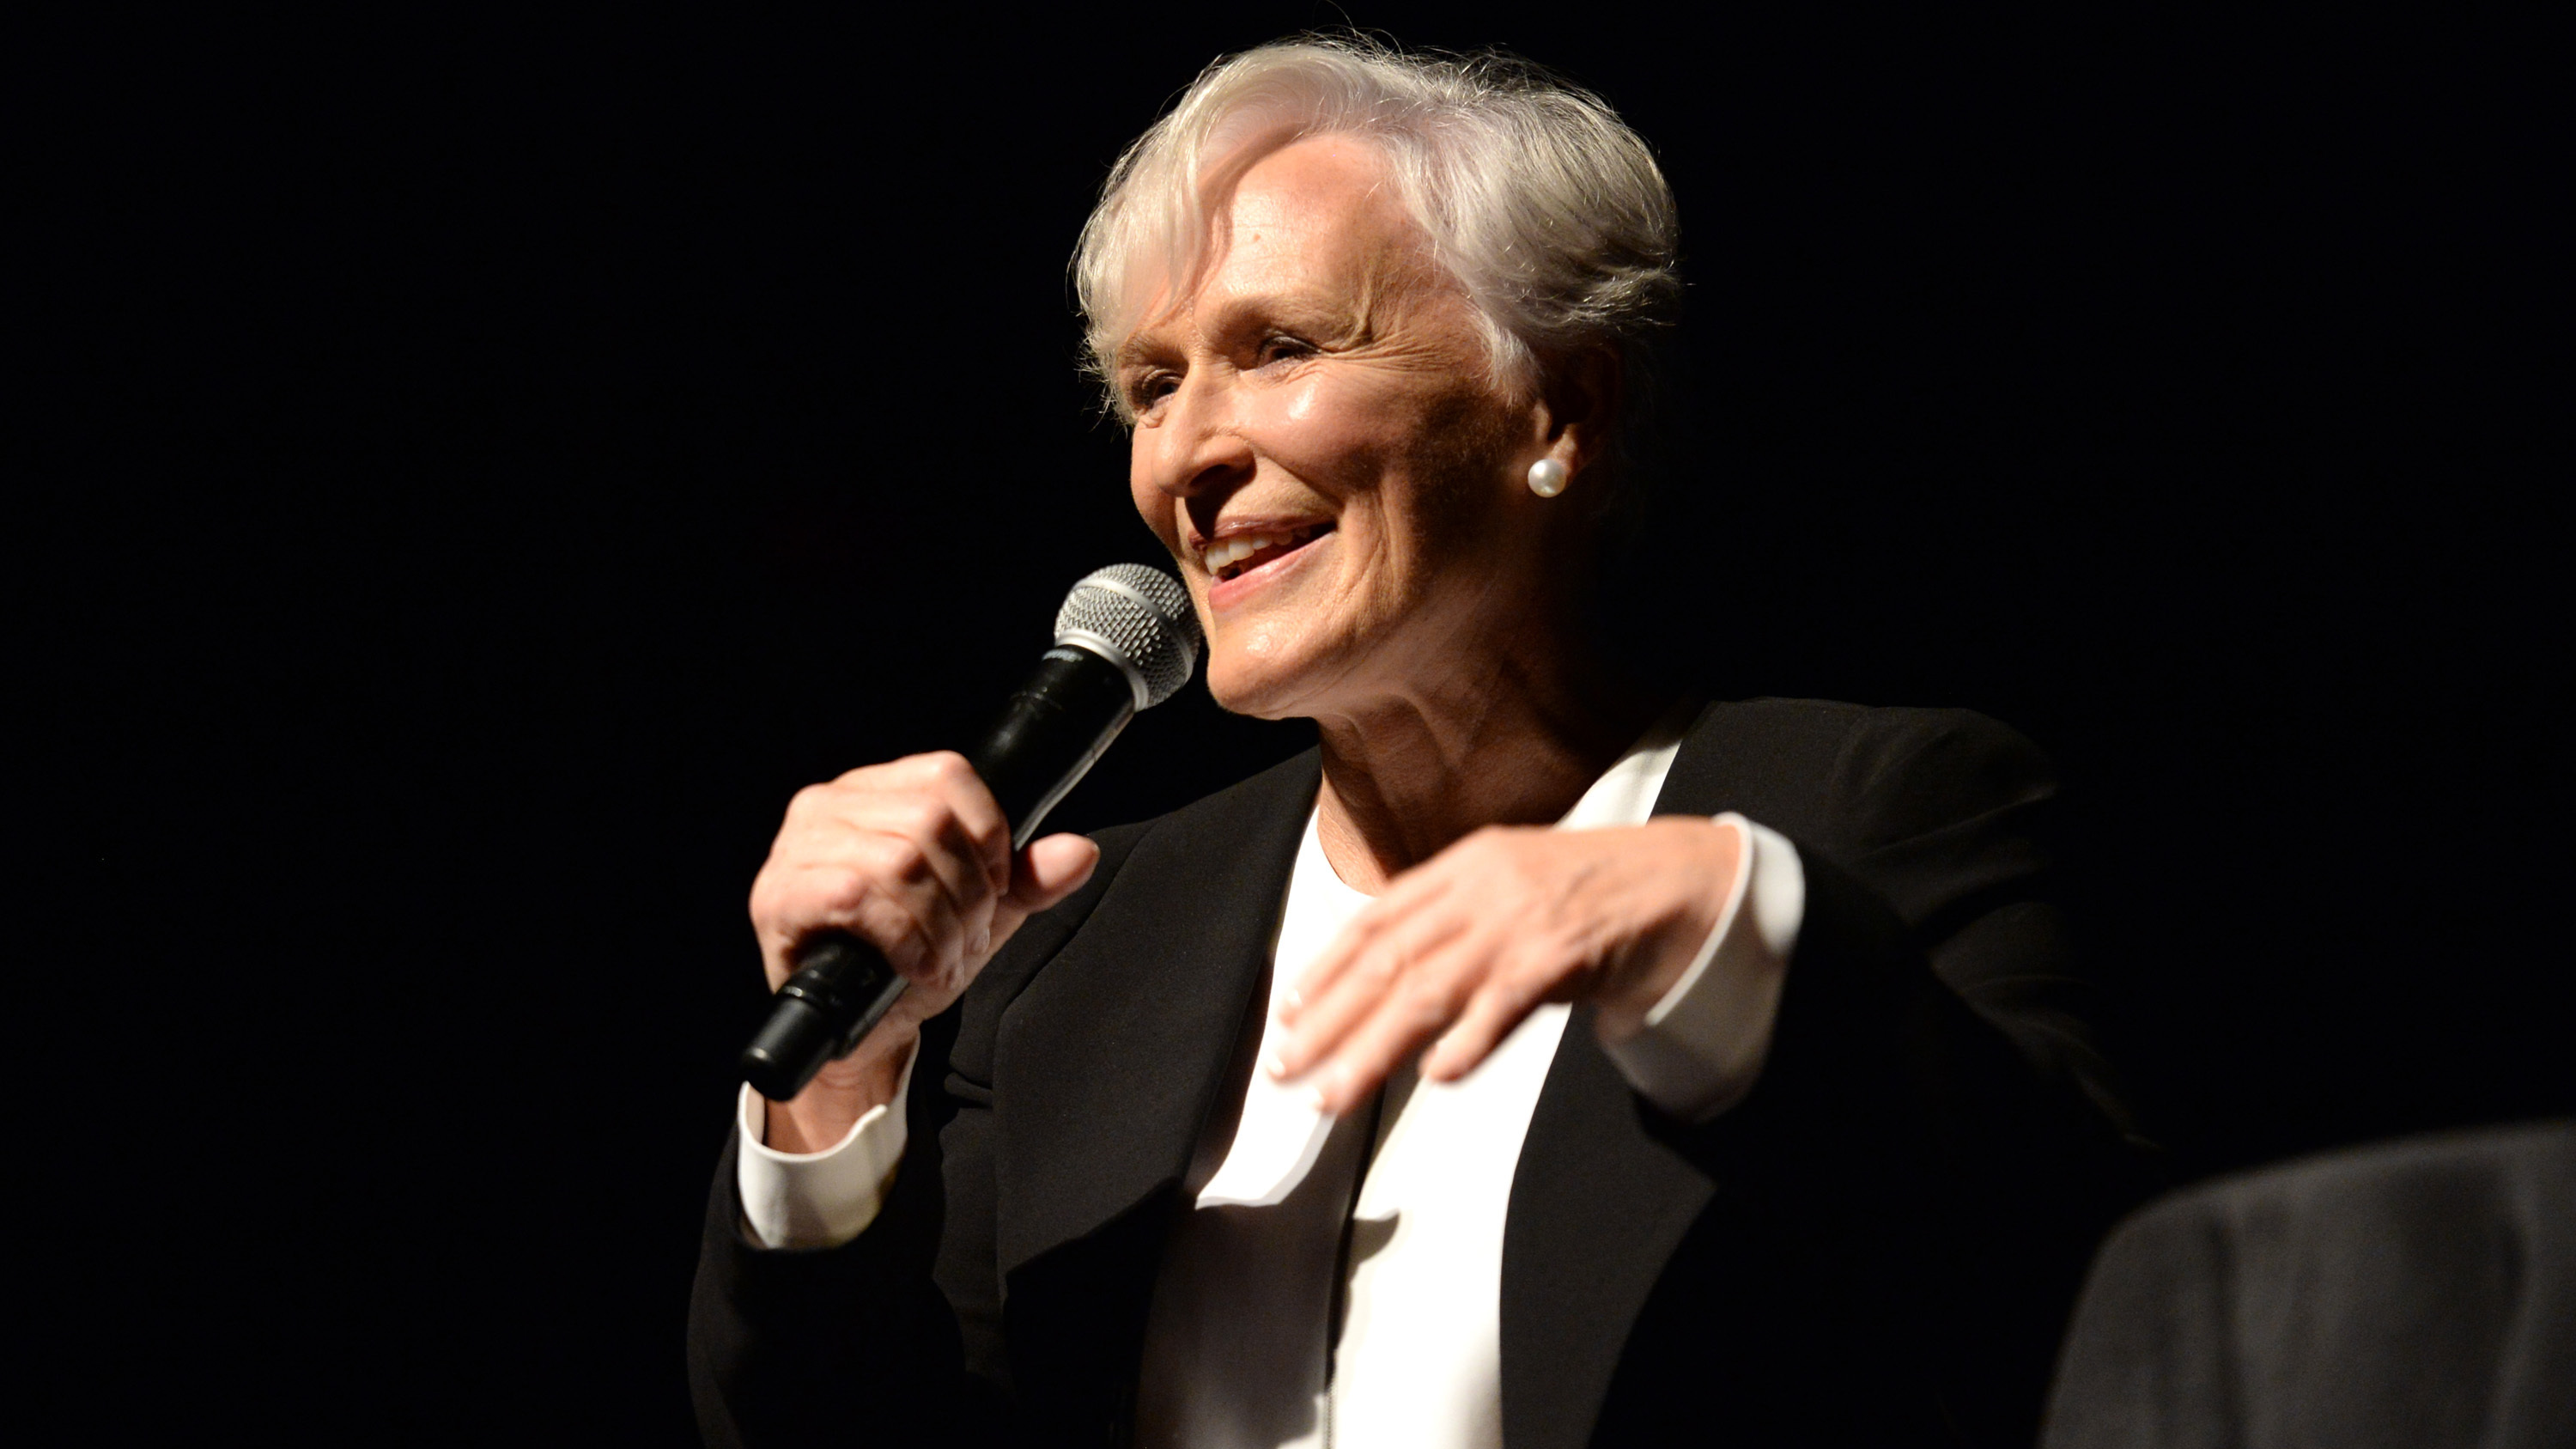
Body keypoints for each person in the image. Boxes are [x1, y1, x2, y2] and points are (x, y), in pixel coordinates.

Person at [690, 36, 2144, 1449]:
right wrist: (835, 1086)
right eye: (1151, 385)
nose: (1189, 454)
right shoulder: (1078, 947)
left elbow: (2097, 1325)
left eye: (1280, 346)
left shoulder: (1871, 817)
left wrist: (1723, 938)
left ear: (1557, 409)